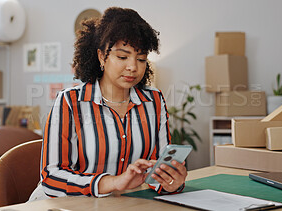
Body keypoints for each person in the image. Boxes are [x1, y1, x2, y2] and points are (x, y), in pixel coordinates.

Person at [29, 7, 187, 200]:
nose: (133, 67)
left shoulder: (153, 101)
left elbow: (158, 169)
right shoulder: (69, 102)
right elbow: (51, 178)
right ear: (102, 56)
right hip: (63, 204)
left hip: (118, 203)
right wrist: (113, 182)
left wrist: (171, 183)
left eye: (141, 59)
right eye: (122, 57)